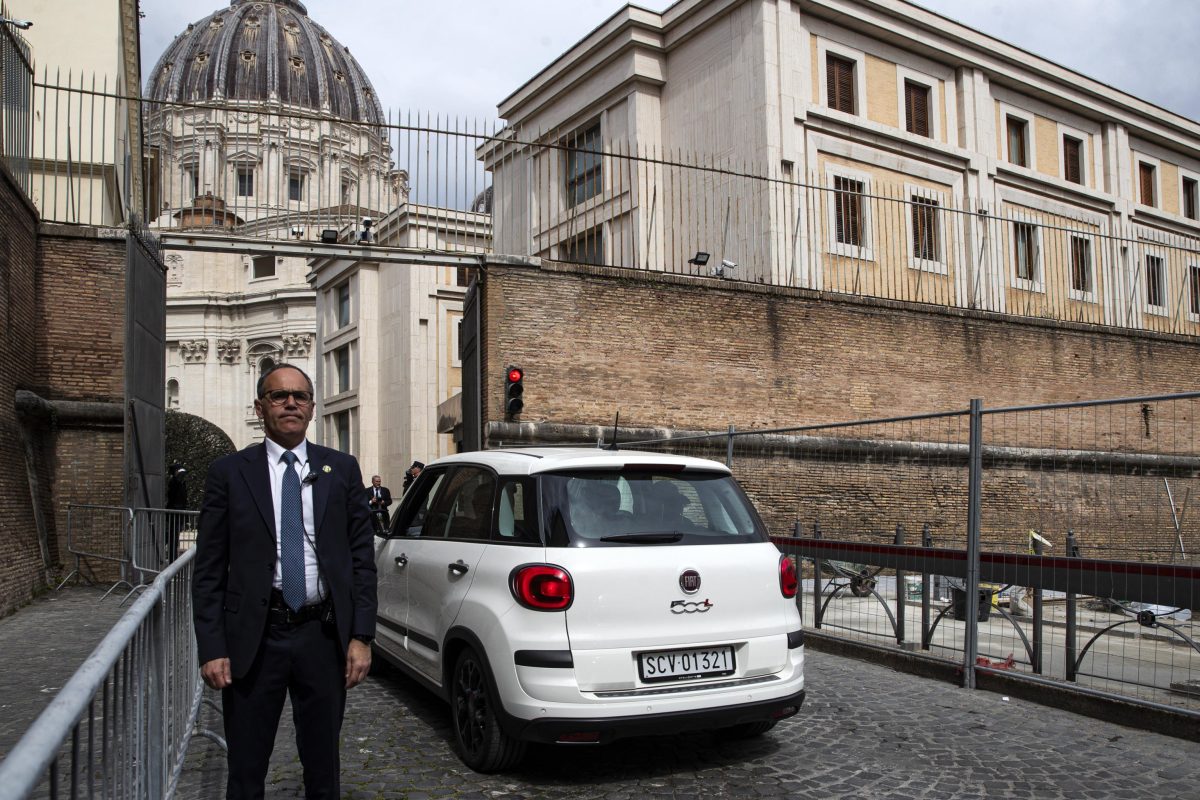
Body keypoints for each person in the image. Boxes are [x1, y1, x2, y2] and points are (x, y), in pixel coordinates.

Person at [192, 363, 377, 800]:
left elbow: (361, 560)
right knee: (246, 766)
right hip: (255, 640)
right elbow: (209, 570)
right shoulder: (229, 473)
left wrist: (362, 636)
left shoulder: (342, 469)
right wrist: (212, 647)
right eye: (279, 396)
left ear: (312, 408)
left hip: (322, 635)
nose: (290, 402)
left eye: (300, 396)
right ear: (260, 407)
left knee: (323, 765)